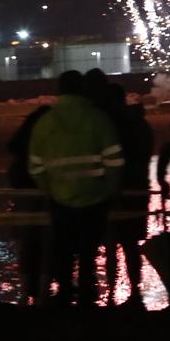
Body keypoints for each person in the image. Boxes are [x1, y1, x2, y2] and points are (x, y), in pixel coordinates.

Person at [27, 71, 122, 306]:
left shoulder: (45, 122)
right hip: (95, 199)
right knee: (89, 252)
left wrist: (49, 188)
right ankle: (88, 296)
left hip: (60, 199)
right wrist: (109, 189)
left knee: (63, 251)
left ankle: (65, 293)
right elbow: (115, 162)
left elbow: (35, 166)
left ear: (59, 91)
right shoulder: (98, 119)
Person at [89, 70, 154, 306]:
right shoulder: (140, 123)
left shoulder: (109, 124)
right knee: (130, 245)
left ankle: (112, 292)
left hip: (114, 190)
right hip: (137, 190)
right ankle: (134, 291)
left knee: (110, 243)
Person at [7, 100, 53, 305]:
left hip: (25, 196)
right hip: (47, 195)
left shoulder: (21, 145)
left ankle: (25, 293)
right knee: (47, 244)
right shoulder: (50, 139)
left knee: (26, 244)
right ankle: (44, 291)